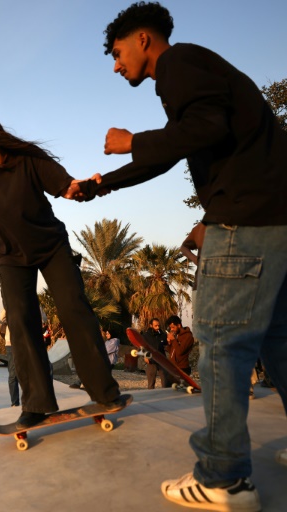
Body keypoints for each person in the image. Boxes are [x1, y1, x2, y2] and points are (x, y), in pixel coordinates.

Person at [84, 3, 287, 508]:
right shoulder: (197, 71)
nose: (115, 65)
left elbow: (206, 128)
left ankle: (224, 477)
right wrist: (102, 186)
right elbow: (180, 146)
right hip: (274, 213)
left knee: (220, 342)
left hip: (245, 217)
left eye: (117, 53)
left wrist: (133, 140)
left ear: (144, 40)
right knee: (279, 340)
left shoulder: (177, 65)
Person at [0, 114, 128, 429]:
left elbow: (65, 186)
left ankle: (104, 392)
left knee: (75, 310)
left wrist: (82, 188)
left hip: (52, 248)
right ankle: (36, 404)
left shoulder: (30, 160)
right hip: (11, 257)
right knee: (21, 323)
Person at [165, 315, 195, 381]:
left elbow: (180, 351)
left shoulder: (188, 336)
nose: (171, 329)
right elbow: (171, 352)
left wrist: (173, 340)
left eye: (173, 327)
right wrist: (169, 343)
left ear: (179, 325)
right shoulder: (176, 335)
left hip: (182, 368)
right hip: (172, 367)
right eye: (170, 328)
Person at [142, 318, 168, 389]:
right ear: (151, 325)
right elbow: (142, 347)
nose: (158, 327)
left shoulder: (163, 335)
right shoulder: (146, 336)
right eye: (155, 326)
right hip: (151, 361)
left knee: (165, 382)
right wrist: (145, 356)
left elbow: (168, 344)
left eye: (158, 325)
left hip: (162, 360)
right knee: (151, 383)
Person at [1, 309, 20, 407]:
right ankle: (15, 402)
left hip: (25, 343)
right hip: (10, 343)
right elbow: (3, 318)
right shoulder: (8, 303)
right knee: (13, 374)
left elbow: (43, 318)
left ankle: (30, 401)